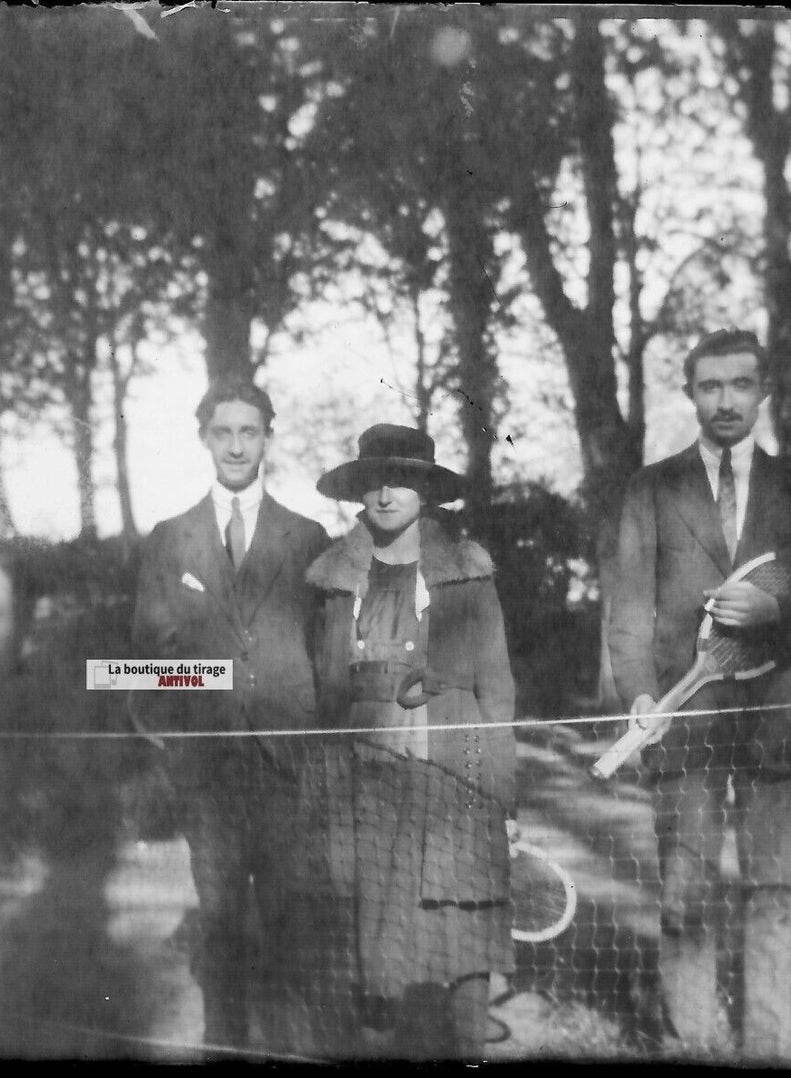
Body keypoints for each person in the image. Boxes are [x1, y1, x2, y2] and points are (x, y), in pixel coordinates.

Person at [608, 329, 791, 1059]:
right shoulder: (650, 487)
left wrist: (777, 612)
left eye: (739, 384)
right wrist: (640, 697)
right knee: (684, 892)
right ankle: (687, 1041)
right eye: (709, 386)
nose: (725, 400)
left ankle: (767, 1041)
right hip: (684, 713)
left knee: (771, 888)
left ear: (763, 390)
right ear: (689, 393)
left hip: (777, 712)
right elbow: (626, 608)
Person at [129, 380, 331, 1050]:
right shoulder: (169, 540)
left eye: (250, 432)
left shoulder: (307, 539)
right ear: (205, 440)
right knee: (219, 934)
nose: (237, 445)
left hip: (287, 770)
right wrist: (173, 746)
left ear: (267, 438)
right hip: (210, 775)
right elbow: (149, 662)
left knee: (290, 931)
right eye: (224, 433)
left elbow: (327, 660)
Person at [305, 424, 518, 1060]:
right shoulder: (334, 584)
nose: (386, 492)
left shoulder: (467, 577)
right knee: (370, 945)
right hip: (360, 786)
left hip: (453, 777)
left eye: (402, 478)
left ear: (427, 490)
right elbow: (321, 696)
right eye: (373, 480)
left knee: (461, 937)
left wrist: (502, 797)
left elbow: (496, 689)